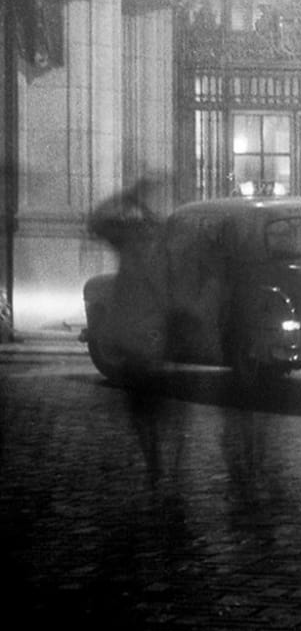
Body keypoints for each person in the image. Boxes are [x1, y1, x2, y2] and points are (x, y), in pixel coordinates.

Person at [88, 174, 178, 487]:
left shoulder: (142, 238)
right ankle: (154, 457)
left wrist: (129, 199)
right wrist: (131, 200)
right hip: (143, 330)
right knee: (146, 402)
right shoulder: (152, 238)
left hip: (142, 329)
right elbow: (98, 222)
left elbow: (97, 221)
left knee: (144, 402)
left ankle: (153, 456)